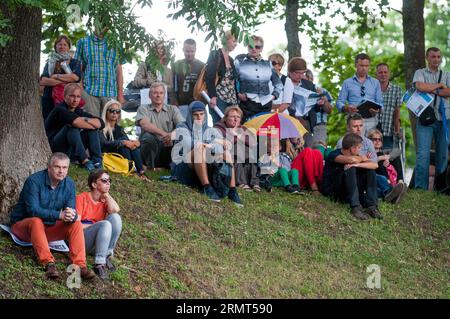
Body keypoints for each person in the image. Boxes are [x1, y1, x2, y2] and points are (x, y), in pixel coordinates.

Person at [9, 153, 95, 280]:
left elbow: (70, 209)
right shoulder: (34, 181)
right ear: (49, 167)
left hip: (47, 229)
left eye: (65, 167)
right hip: (24, 227)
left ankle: (80, 266)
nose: (61, 171)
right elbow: (32, 210)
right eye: (57, 167)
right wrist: (59, 215)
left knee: (75, 224)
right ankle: (48, 264)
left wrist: (72, 215)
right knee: (36, 221)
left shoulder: (69, 184)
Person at [171, 101, 242, 205]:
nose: (199, 117)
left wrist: (210, 145)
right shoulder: (182, 127)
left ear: (205, 114)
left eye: (201, 114)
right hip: (184, 167)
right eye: (195, 115)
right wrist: (210, 144)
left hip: (204, 166)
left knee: (226, 153)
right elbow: (188, 144)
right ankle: (207, 187)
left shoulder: (211, 130)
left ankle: (232, 190)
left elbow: (223, 147)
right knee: (198, 149)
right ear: (190, 115)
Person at [412, 47, 450, 191]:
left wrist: (431, 89)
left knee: (443, 155)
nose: (436, 59)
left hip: (445, 118)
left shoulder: (447, 74)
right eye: (433, 57)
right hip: (425, 119)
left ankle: (440, 188)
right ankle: (420, 189)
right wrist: (440, 86)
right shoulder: (420, 73)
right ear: (428, 58)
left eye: (438, 57)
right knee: (423, 154)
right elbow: (420, 86)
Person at [45, 83, 104, 171]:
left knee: (92, 131)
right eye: (72, 96)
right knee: (71, 127)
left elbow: (101, 123)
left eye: (78, 96)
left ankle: (97, 162)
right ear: (64, 96)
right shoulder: (59, 109)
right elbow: (76, 122)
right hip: (56, 148)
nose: (75, 100)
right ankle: (85, 161)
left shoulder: (78, 111)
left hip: (71, 150)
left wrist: (86, 120)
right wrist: (92, 124)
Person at [322, 133, 382, 221]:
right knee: (350, 168)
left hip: (349, 191)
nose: (360, 150)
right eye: (359, 147)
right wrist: (362, 159)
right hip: (335, 191)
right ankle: (355, 207)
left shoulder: (357, 157)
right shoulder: (334, 154)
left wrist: (358, 165)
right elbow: (351, 160)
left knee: (370, 171)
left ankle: (371, 206)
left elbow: (375, 165)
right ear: (352, 148)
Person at [76, 170, 122, 280]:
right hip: (81, 241)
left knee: (115, 217)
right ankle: (99, 263)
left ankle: (106, 255)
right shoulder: (81, 198)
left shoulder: (104, 200)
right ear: (94, 184)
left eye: (109, 181)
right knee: (105, 224)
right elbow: (75, 226)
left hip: (97, 243)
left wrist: (106, 195)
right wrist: (98, 226)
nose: (108, 183)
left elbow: (115, 210)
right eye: (104, 180)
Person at [75, 24, 126, 116]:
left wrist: (120, 94)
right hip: (89, 93)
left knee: (110, 128)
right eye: (100, 21)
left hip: (111, 93)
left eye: (105, 22)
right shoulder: (83, 42)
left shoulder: (116, 43)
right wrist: (81, 90)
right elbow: (78, 68)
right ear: (95, 22)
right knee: (91, 127)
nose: (103, 25)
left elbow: (119, 71)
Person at [136, 82, 184, 170]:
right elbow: (144, 124)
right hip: (151, 148)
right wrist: (164, 134)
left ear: (164, 95)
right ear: (150, 95)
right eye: (155, 93)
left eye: (161, 93)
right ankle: (150, 167)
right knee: (147, 137)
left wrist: (171, 136)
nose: (158, 95)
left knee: (182, 136)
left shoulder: (173, 109)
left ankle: (174, 167)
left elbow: (182, 126)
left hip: (167, 146)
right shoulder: (143, 108)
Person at [283, 58, 330, 147]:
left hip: (307, 122)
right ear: (290, 71)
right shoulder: (283, 83)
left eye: (303, 73)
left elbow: (315, 108)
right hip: (289, 121)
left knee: (308, 148)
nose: (300, 76)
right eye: (297, 73)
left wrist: (319, 103)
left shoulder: (308, 85)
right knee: (291, 149)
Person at [235, 35, 283, 121]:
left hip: (265, 104)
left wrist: (274, 96)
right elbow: (233, 81)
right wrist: (238, 94)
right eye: (251, 46)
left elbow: (278, 84)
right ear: (247, 47)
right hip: (246, 104)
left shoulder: (268, 64)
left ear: (261, 49)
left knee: (264, 132)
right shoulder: (239, 63)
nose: (254, 49)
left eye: (257, 47)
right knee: (246, 131)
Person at [213, 106, 260, 191]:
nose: (236, 119)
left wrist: (238, 135)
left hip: (245, 157)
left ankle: (255, 182)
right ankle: (241, 182)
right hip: (227, 156)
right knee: (238, 150)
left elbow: (253, 143)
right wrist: (235, 136)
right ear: (226, 118)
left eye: (238, 117)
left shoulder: (243, 128)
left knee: (249, 154)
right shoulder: (219, 127)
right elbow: (224, 142)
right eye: (232, 116)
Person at [99, 100, 147, 179]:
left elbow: (128, 144)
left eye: (117, 111)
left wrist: (136, 143)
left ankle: (141, 172)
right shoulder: (101, 126)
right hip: (107, 154)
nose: (114, 113)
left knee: (129, 144)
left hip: (119, 154)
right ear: (106, 112)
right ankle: (134, 171)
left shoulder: (119, 128)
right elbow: (104, 144)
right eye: (112, 111)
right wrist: (122, 142)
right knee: (124, 143)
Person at [336, 53, 383, 134]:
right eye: (361, 65)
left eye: (366, 66)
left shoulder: (375, 82)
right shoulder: (347, 83)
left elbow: (380, 103)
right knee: (355, 145)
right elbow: (339, 102)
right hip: (354, 121)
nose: (364, 68)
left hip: (371, 121)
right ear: (356, 65)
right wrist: (346, 108)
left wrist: (377, 110)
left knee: (371, 145)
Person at [39, 35, 82, 119]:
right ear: (55, 47)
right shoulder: (50, 62)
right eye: (59, 44)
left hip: (69, 99)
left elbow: (75, 78)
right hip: (49, 99)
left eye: (65, 44)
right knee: (50, 124)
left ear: (69, 47)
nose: (62, 47)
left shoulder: (75, 62)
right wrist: (66, 80)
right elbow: (43, 81)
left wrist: (55, 76)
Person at [205, 30, 239, 124]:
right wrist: (213, 96)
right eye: (234, 41)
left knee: (232, 126)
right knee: (220, 125)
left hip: (231, 98)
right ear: (226, 40)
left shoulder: (232, 60)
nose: (236, 44)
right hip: (219, 97)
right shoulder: (215, 54)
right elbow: (209, 77)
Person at [367, 129, 407, 204]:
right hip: (376, 180)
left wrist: (388, 157)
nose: (378, 141)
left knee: (396, 158)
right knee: (378, 190)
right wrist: (379, 158)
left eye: (380, 139)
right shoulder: (366, 152)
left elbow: (398, 151)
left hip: (388, 179)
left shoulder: (384, 152)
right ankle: (394, 194)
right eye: (374, 139)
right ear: (369, 141)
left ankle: (400, 182)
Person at [172, 39, 205, 119]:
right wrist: (174, 101)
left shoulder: (202, 66)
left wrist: (202, 103)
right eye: (187, 51)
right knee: (182, 128)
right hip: (181, 104)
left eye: (192, 51)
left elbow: (204, 87)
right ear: (183, 50)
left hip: (197, 104)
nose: (189, 54)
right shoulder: (177, 64)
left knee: (197, 128)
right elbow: (174, 84)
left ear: (195, 50)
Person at [375, 63, 403, 150]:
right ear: (376, 74)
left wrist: (397, 131)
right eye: (380, 72)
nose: (383, 74)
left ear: (389, 73)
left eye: (385, 72)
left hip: (388, 132)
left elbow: (397, 112)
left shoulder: (397, 89)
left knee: (387, 160)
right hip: (372, 132)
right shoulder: (371, 89)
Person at [304, 69, 333, 145]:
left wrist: (323, 99)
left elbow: (330, 110)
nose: (304, 83)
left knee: (319, 149)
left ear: (311, 79)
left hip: (319, 126)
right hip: (302, 124)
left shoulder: (322, 91)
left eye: (307, 80)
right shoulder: (297, 91)